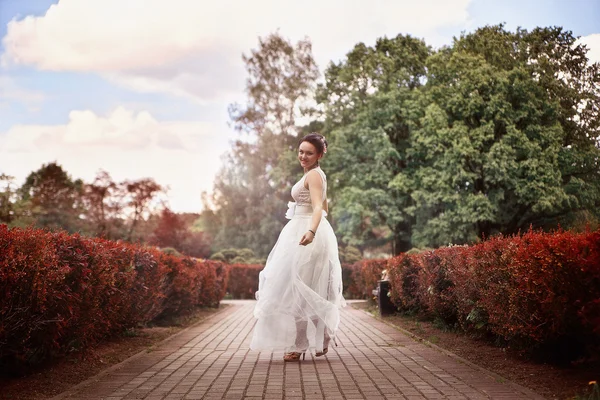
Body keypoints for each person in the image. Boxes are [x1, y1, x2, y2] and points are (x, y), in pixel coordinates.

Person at [250, 133, 346, 361]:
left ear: (320, 155)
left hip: (307, 233)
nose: (303, 156)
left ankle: (303, 342)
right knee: (301, 288)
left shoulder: (314, 175)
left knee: (302, 289)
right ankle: (317, 338)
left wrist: (311, 231)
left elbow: (318, 209)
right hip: (302, 229)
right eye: (301, 151)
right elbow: (325, 205)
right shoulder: (316, 175)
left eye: (309, 153)